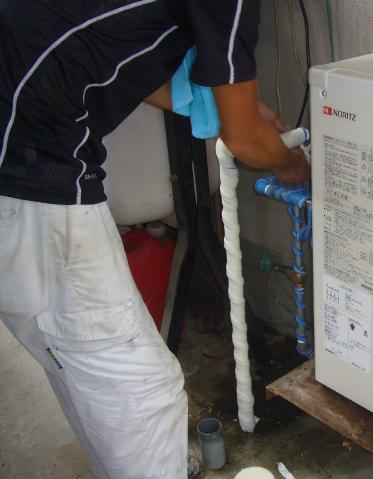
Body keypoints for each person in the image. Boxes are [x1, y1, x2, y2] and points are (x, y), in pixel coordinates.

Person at [0, 1, 309, 478]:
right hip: (30, 171)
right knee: (139, 388)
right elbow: (247, 141)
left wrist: (234, 107)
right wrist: (294, 167)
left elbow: (111, 50)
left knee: (73, 359)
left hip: (18, 147)